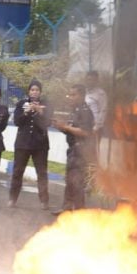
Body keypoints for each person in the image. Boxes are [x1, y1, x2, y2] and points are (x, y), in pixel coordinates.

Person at [8, 79, 53, 209]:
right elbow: (17, 121)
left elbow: (48, 122)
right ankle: (12, 199)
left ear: (40, 92)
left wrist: (39, 111)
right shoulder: (21, 104)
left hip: (40, 145)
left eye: (37, 90)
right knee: (17, 172)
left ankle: (44, 201)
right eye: (32, 90)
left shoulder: (46, 105)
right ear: (29, 91)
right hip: (23, 144)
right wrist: (27, 112)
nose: (34, 92)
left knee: (42, 173)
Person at [53, 83, 96, 213]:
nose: (70, 97)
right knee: (70, 180)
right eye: (69, 94)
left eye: (73, 95)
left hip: (82, 151)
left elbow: (85, 132)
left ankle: (79, 212)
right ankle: (66, 208)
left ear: (82, 95)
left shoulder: (85, 111)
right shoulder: (75, 110)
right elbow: (72, 130)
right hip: (73, 149)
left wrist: (66, 127)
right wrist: (61, 127)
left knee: (77, 183)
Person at [83, 70, 108, 137]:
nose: (90, 82)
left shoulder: (100, 93)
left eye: (93, 80)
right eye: (89, 79)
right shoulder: (83, 92)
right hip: (84, 124)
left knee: (92, 146)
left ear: (96, 81)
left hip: (95, 126)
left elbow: (103, 110)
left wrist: (97, 127)